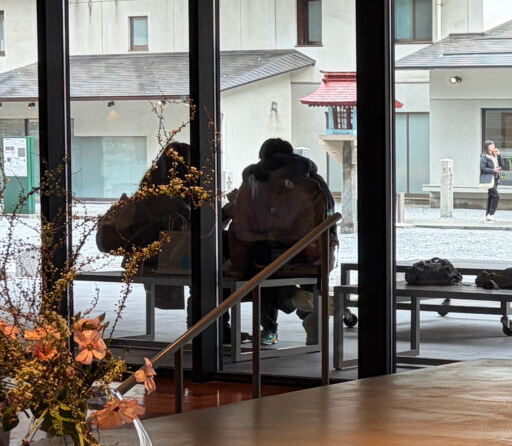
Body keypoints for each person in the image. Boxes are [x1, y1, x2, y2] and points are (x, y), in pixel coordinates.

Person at [223, 137, 334, 347]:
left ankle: (273, 325)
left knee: (260, 279)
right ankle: (310, 314)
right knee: (306, 282)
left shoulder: (257, 181)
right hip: (310, 252)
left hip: (267, 255)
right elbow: (327, 216)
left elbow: (244, 228)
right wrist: (328, 247)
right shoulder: (314, 182)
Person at [96, 142, 197, 308]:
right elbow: (193, 232)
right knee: (207, 282)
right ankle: (207, 322)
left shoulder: (147, 193)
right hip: (165, 261)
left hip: (142, 261)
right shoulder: (174, 201)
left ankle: (205, 321)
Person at [479, 139, 506, 221]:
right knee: (496, 196)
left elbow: (502, 164)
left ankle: (487, 215)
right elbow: (482, 169)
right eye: (491, 145)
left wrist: (499, 155)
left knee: (491, 196)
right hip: (489, 179)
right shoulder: (484, 157)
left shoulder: (495, 156)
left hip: (496, 178)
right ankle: (491, 214)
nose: (493, 146)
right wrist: (493, 170)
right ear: (487, 147)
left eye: (493, 145)